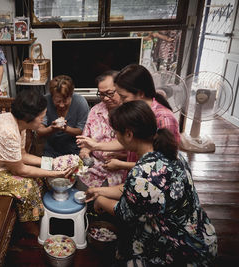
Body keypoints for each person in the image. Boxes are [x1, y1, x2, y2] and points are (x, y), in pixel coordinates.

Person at [85, 100, 217, 266]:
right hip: (202, 236)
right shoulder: (173, 154)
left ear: (128, 134)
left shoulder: (142, 174)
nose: (115, 137)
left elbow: (124, 213)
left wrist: (99, 200)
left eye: (116, 133)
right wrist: (98, 190)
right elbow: (136, 190)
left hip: (181, 250)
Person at [0, 89, 75, 228]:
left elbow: (22, 155)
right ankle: (31, 230)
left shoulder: (20, 123)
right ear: (29, 117)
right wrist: (57, 173)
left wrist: (53, 163)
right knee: (27, 186)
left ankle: (41, 218)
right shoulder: (7, 131)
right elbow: (21, 170)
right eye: (41, 116)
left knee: (39, 177)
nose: (44, 120)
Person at [77, 64, 180, 172]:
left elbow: (162, 167)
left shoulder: (164, 119)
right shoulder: (137, 112)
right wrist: (96, 146)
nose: (121, 102)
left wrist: (122, 164)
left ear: (140, 93)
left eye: (123, 97)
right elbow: (127, 142)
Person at [78, 71, 127, 189]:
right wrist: (85, 151)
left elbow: (138, 148)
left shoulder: (130, 112)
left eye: (110, 93)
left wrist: (122, 158)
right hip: (95, 167)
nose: (105, 98)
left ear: (121, 88)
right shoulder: (96, 110)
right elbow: (87, 139)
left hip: (120, 169)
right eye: (101, 94)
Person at [36, 75, 89, 157]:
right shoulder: (45, 101)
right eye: (57, 101)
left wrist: (66, 129)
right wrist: (52, 128)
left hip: (75, 150)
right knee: (45, 169)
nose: (61, 105)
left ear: (71, 95)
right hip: (51, 150)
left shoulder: (80, 102)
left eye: (65, 101)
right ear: (52, 96)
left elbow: (82, 131)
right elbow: (39, 131)